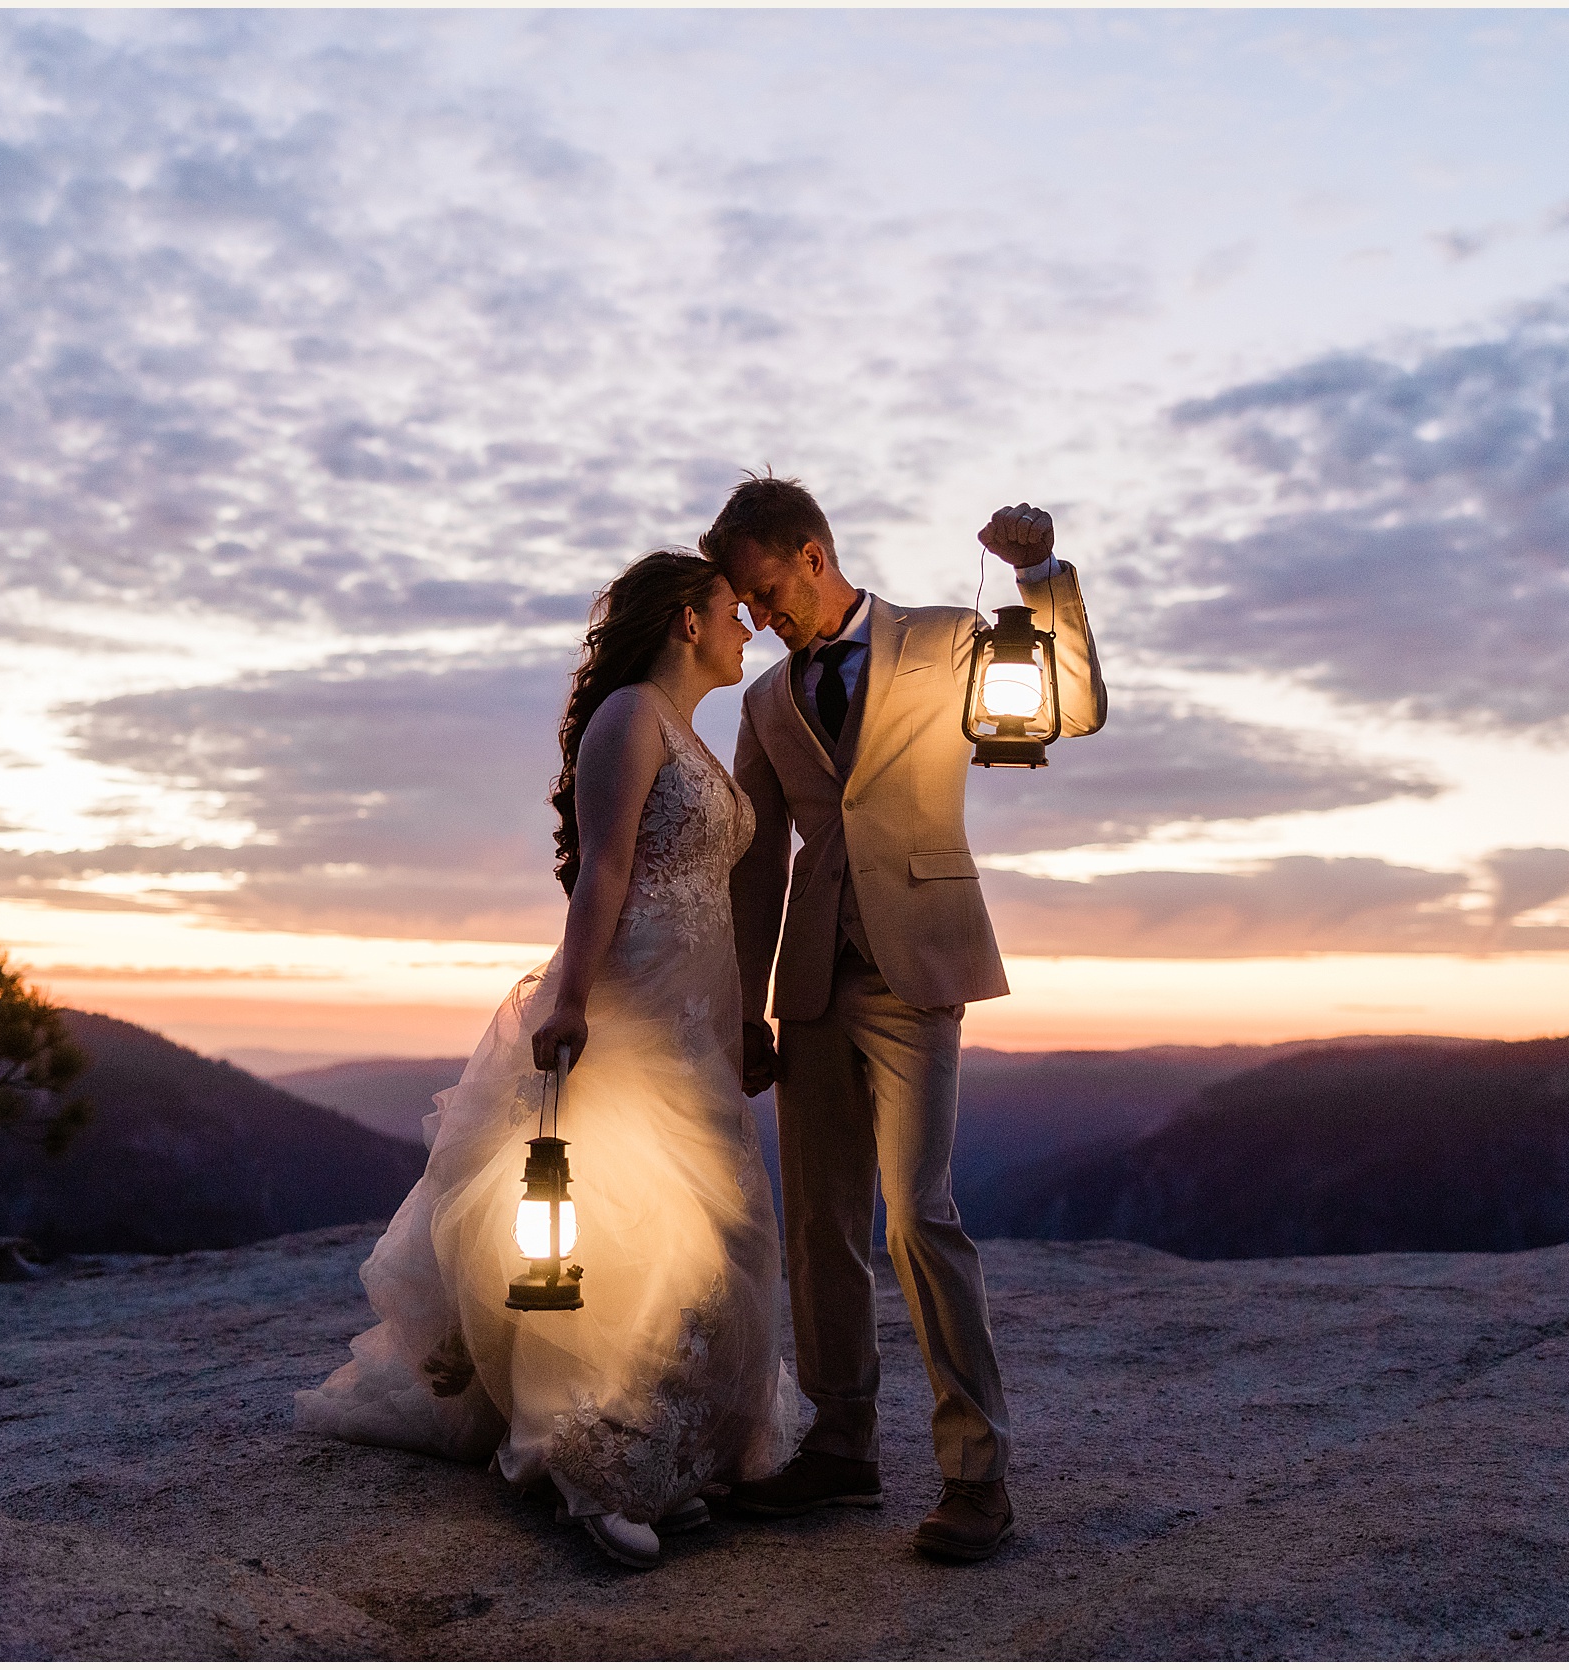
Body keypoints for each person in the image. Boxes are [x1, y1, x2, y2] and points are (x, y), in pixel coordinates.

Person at [294, 549, 798, 1571]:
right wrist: (568, 995)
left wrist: (747, 1016)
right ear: (685, 623)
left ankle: (666, 1454)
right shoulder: (628, 717)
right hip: (634, 998)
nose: (747, 621)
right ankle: (584, 1466)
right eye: (728, 608)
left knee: (704, 1234)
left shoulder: (686, 729)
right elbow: (603, 867)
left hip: (697, 1014)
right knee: (622, 1232)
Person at [704, 474, 1106, 1562]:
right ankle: (841, 1448)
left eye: (761, 588)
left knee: (916, 1215)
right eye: (740, 601)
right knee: (817, 1223)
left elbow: (1068, 706)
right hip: (812, 983)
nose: (754, 614)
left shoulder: (941, 639)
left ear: (809, 553)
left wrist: (1039, 578)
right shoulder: (761, 704)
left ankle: (978, 1475)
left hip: (919, 963)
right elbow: (752, 866)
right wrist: (748, 1007)